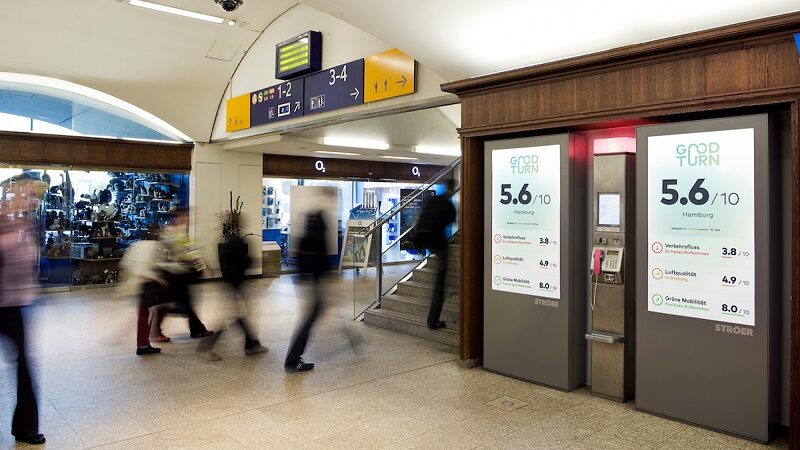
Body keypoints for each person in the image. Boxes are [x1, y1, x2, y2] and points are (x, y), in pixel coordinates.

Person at [0, 217, 45, 445]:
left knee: (24, 367)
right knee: (24, 368)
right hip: (9, 309)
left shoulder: (13, 239)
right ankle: (25, 428)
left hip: (11, 308)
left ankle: (25, 427)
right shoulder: (12, 242)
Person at [196, 228, 268, 361]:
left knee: (238, 316)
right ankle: (206, 346)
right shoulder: (238, 243)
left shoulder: (230, 243)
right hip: (236, 285)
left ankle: (251, 344)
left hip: (233, 284)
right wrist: (251, 260)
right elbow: (242, 263)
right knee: (230, 318)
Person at [153, 208, 213, 340]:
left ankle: (197, 329)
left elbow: (183, 252)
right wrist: (202, 266)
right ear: (178, 218)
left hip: (176, 273)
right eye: (185, 216)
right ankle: (196, 330)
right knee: (181, 303)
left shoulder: (172, 232)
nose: (188, 218)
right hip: (177, 274)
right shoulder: (176, 233)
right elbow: (188, 253)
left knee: (183, 302)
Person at [284, 210, 328, 373]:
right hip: (314, 285)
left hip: (310, 284)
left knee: (308, 320)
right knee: (307, 322)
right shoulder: (318, 237)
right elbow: (321, 262)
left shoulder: (306, 237)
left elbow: (301, 260)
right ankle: (292, 360)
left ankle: (294, 358)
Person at [120, 226, 173, 356]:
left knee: (145, 314)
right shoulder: (155, 247)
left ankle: (143, 343)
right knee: (149, 313)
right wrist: (154, 277)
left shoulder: (137, 245)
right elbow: (160, 264)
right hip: (147, 284)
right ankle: (143, 345)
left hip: (137, 283)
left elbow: (126, 264)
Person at [415, 179, 456, 330]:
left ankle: (433, 318)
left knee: (439, 281)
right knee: (440, 283)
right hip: (440, 245)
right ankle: (433, 321)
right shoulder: (449, 205)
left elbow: (422, 217)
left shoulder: (433, 200)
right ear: (452, 189)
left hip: (428, 242)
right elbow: (450, 221)